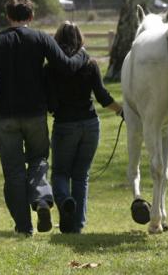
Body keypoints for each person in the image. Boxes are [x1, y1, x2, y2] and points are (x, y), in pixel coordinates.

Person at [0, 0, 89, 236]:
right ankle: (40, 199)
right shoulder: (41, 38)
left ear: (8, 16)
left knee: (13, 171)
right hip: (35, 114)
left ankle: (24, 226)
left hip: (6, 116)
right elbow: (66, 66)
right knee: (39, 160)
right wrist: (83, 54)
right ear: (31, 17)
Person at [45, 21, 122, 233]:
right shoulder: (90, 64)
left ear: (56, 40)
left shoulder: (50, 68)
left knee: (60, 173)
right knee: (81, 176)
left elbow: (50, 102)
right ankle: (77, 225)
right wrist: (121, 111)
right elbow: (103, 97)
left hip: (65, 125)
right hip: (90, 124)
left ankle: (66, 200)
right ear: (80, 39)